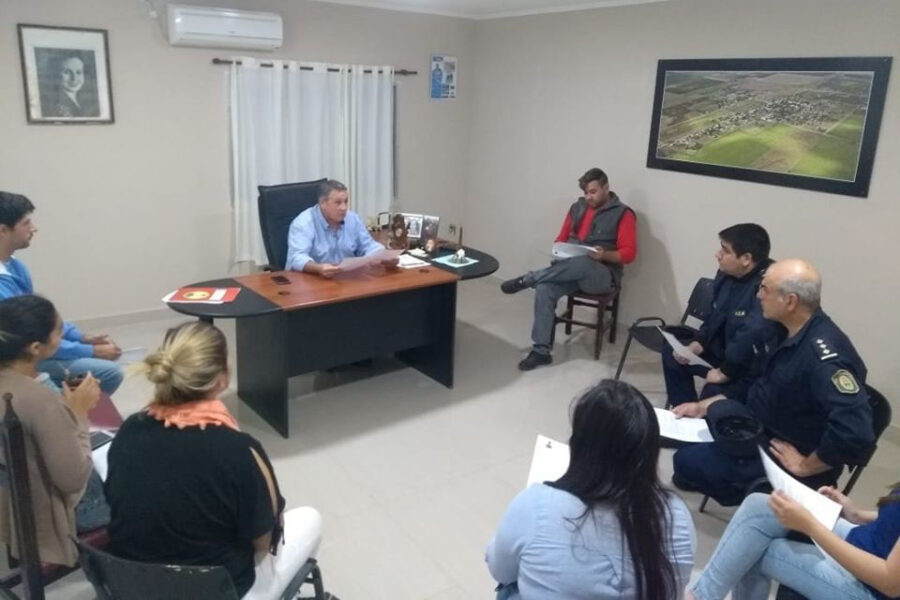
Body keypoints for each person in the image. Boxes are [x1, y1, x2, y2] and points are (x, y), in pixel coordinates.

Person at [104, 321, 322, 599]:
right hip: (217, 590)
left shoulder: (129, 430)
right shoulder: (239, 450)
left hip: (133, 586)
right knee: (310, 519)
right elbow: (263, 542)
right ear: (222, 378)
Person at [672, 259, 874, 506]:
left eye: (765, 289)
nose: (758, 295)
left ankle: (764, 494)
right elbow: (757, 382)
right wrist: (702, 406)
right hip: (762, 423)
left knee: (685, 462)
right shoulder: (780, 329)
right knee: (708, 415)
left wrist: (806, 465)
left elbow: (855, 432)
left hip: (787, 448)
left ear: (790, 301)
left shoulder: (824, 358)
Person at [485, 380, 695, 599]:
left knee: (510, 587)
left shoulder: (536, 505)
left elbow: (499, 568)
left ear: (580, 446)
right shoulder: (676, 514)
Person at [0, 295, 106, 567]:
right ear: (36, 347)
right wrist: (79, 414)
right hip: (48, 513)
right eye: (59, 331)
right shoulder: (38, 400)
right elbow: (73, 479)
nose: (63, 335)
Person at [500, 168, 636, 370]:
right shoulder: (577, 208)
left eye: (593, 191)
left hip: (602, 276)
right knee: (545, 288)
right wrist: (560, 252)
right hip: (571, 269)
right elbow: (561, 239)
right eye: (586, 193)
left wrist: (604, 255)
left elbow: (629, 254)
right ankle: (541, 351)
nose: (588, 197)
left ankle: (528, 279)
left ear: (606, 188)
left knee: (584, 262)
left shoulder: (623, 213)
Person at [0, 192, 123, 394]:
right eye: (26, 223)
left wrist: (81, 337)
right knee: (108, 373)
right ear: (3, 230)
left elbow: (39, 320)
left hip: (30, 350)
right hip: (13, 362)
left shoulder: (14, 266)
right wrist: (92, 351)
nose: (34, 228)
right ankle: (66, 416)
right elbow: (29, 340)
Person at [688, 484, 900, 600]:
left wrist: (810, 526)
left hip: (873, 589)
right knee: (760, 506)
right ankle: (700, 596)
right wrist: (857, 515)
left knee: (758, 549)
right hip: (868, 542)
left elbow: (890, 583)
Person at [663, 223, 775, 407]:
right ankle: (683, 412)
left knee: (712, 394)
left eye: (725, 250)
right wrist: (697, 344)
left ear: (746, 258)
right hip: (720, 351)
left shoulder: (768, 284)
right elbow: (714, 315)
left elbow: (751, 333)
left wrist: (725, 372)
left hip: (744, 367)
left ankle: (698, 417)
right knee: (672, 354)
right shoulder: (725, 274)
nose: (718, 254)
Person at [285, 179, 397, 277]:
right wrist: (319, 268)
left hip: (347, 279)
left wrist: (385, 256)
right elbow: (296, 258)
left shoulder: (352, 219)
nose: (343, 208)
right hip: (313, 281)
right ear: (323, 204)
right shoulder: (304, 223)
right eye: (338, 203)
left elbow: (368, 245)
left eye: (345, 202)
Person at [43, 54, 99, 118]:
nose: (74, 78)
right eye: (67, 72)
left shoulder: (89, 100)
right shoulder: (50, 104)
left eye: (78, 72)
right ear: (56, 75)